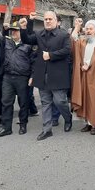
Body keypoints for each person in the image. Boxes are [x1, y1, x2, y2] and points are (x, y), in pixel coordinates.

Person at [20, 11, 73, 141]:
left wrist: (51, 55)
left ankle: (68, 118)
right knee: (45, 103)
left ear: (56, 20)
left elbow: (67, 50)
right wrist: (25, 26)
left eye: (50, 19)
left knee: (60, 101)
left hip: (58, 75)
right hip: (42, 75)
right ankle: (47, 129)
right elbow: (26, 39)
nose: (48, 21)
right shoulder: (39, 34)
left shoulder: (64, 34)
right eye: (45, 19)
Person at [0, 14, 34, 137]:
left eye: (16, 31)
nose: (13, 33)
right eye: (12, 30)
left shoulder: (28, 44)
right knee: (6, 102)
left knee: (23, 102)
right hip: (7, 77)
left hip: (22, 77)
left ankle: (23, 125)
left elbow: (34, 61)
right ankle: (6, 128)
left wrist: (32, 76)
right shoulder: (6, 42)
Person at [71, 18, 95, 135]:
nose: (88, 31)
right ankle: (88, 123)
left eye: (91, 29)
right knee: (86, 99)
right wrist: (77, 26)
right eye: (87, 29)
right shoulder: (83, 42)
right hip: (85, 76)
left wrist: (90, 65)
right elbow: (74, 39)